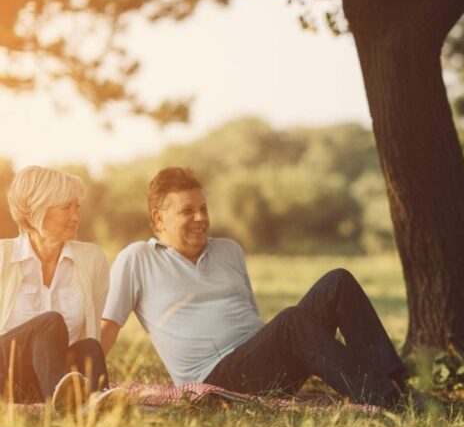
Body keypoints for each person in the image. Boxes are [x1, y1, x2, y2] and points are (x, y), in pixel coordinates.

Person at [100, 167, 408, 406]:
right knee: (290, 321)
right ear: (158, 219)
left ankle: (395, 384)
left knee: (337, 282)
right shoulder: (136, 259)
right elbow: (109, 328)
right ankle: (383, 398)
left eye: (204, 208)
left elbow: (250, 316)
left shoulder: (229, 250)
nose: (200, 218)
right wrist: (82, 385)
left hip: (265, 362)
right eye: (186, 211)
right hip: (216, 381)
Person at [0, 166, 113, 409]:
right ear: (34, 213)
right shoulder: (2, 255)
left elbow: (91, 329)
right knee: (50, 322)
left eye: (77, 207)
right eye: (65, 208)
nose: (75, 216)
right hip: (6, 375)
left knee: (91, 345)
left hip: (58, 374)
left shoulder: (92, 258)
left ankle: (98, 402)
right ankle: (65, 404)